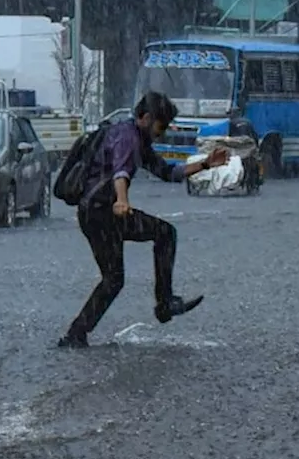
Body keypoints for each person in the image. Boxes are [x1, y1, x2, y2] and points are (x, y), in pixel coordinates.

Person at [57, 92, 228, 349]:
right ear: (146, 118)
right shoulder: (126, 137)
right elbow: (121, 171)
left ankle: (78, 333)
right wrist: (122, 200)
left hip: (101, 212)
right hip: (102, 213)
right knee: (152, 245)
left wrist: (205, 165)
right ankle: (161, 303)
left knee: (146, 250)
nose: (163, 132)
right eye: (161, 126)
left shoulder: (137, 138)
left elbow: (168, 172)